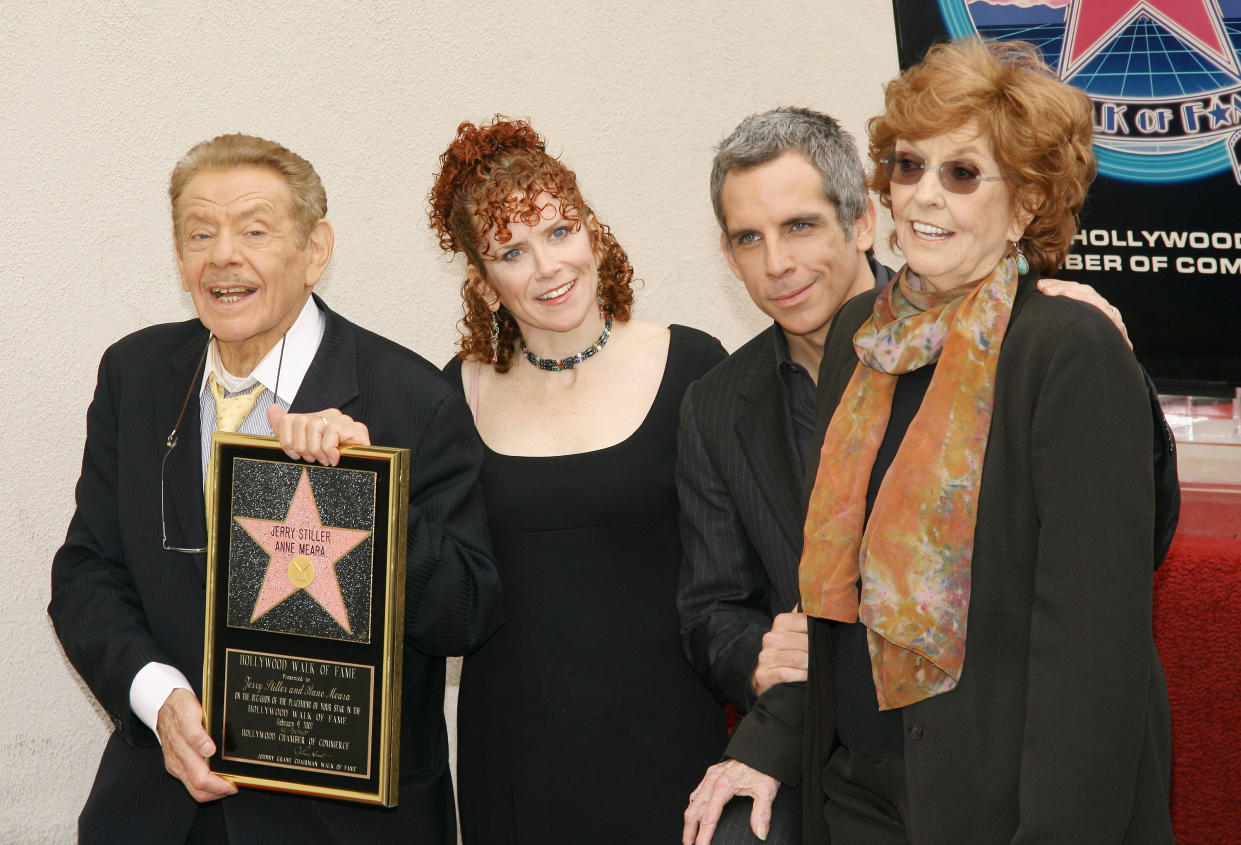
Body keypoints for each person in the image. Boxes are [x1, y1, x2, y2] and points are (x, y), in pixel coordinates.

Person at [679, 105, 1176, 843]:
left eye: (962, 172)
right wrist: (767, 742)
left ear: (1026, 202)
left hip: (1004, 787)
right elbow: (840, 585)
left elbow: (1092, 646)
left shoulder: (1064, 341)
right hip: (858, 782)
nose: (924, 194)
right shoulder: (863, 337)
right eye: (908, 167)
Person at [49, 133, 503, 844]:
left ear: (314, 250)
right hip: (159, 810)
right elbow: (86, 572)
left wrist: (364, 493)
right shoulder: (133, 375)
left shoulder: (412, 398)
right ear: (179, 255)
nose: (223, 255)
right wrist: (158, 697)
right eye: (200, 233)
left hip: (343, 823)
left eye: (254, 230)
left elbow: (466, 614)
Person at [432, 116, 729, 843]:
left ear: (592, 232)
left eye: (559, 231)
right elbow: (426, 578)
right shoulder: (453, 395)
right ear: (484, 282)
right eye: (511, 250)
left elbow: (745, 568)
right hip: (514, 759)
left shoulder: (693, 365)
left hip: (676, 749)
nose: (547, 267)